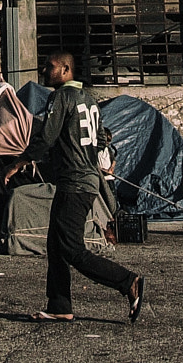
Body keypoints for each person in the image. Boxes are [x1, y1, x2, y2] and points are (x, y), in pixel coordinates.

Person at [10, 52, 143, 324]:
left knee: (71, 248)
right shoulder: (90, 100)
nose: (45, 70)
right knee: (56, 244)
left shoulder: (60, 97)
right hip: (85, 181)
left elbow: (47, 135)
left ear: (66, 69)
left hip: (74, 183)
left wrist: (21, 161)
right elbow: (101, 141)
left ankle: (128, 281)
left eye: (50, 66)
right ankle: (59, 304)